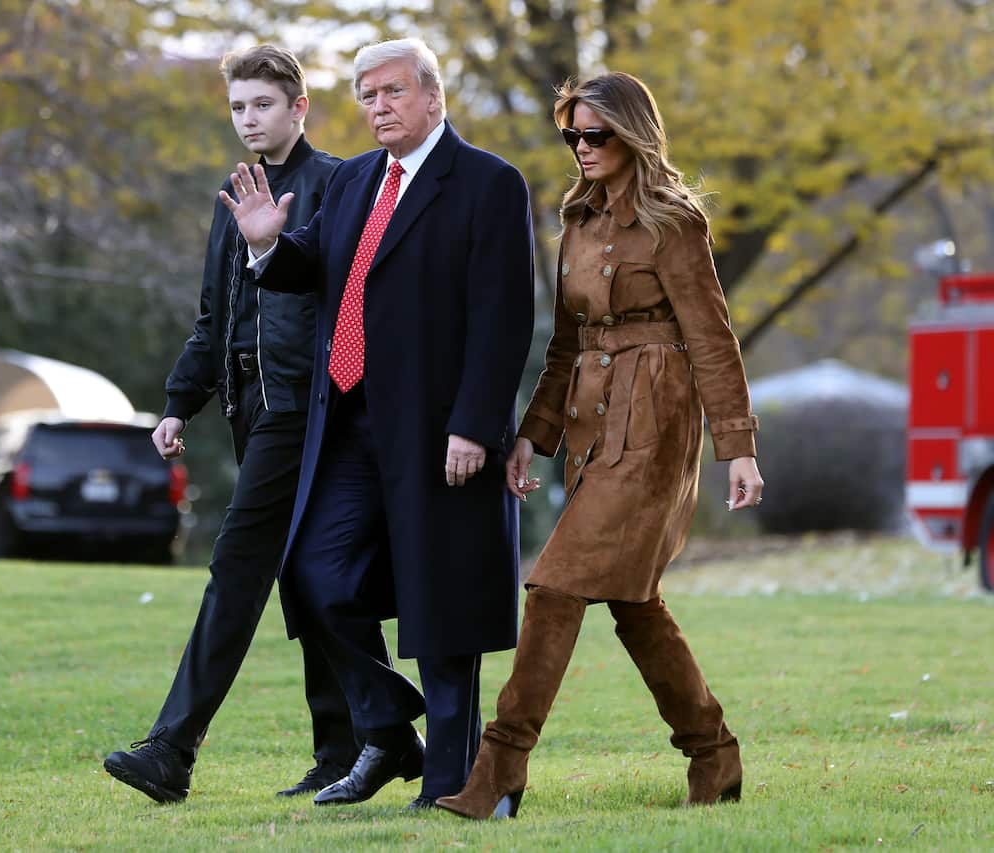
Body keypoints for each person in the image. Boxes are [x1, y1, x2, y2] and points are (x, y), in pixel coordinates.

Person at [435, 71, 765, 821]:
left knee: (554, 586)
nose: (582, 148)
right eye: (573, 135)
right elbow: (564, 343)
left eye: (596, 135)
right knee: (633, 602)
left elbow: (712, 338)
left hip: (656, 427)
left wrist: (737, 447)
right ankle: (714, 755)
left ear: (632, 135)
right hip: (593, 424)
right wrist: (532, 438)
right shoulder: (576, 221)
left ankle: (499, 769)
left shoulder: (674, 223)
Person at [220, 38, 535, 810]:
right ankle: (391, 724)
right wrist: (267, 245)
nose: (378, 106)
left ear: (433, 96)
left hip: (440, 430)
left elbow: (504, 317)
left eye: (393, 91)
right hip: (349, 424)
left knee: (442, 601)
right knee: (313, 573)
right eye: (366, 94)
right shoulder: (355, 179)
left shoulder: (489, 183)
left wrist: (476, 424)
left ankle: (453, 783)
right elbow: (318, 269)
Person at [103, 44, 358, 805]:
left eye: (264, 105)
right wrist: (181, 403)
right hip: (252, 409)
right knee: (305, 576)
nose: (249, 119)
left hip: (306, 409)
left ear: (298, 107)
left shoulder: (335, 183)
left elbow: (343, 303)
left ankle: (172, 748)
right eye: (239, 107)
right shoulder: (230, 194)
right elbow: (214, 318)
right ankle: (353, 744)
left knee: (238, 565)